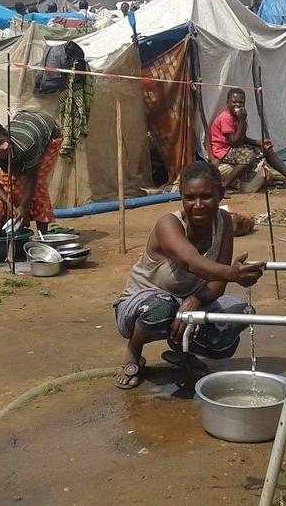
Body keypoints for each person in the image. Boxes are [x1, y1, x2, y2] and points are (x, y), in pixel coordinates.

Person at [113, 161, 266, 389]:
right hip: (141, 306)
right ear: (181, 198)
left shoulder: (223, 222)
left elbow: (218, 283)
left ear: (221, 193)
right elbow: (191, 262)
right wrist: (232, 274)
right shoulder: (168, 224)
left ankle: (182, 348)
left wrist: (196, 300)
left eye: (206, 197)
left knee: (242, 314)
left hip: (186, 304)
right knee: (161, 308)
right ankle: (134, 351)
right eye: (190, 198)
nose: (198, 205)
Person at [208, 88, 286, 191]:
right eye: (234, 102)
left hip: (233, 147)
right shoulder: (226, 118)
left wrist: (259, 142)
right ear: (227, 103)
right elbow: (234, 143)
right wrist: (242, 121)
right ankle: (224, 185)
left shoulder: (239, 116)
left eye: (241, 102)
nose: (237, 105)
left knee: (267, 149)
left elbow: (242, 138)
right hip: (223, 151)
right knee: (249, 157)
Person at [0, 110, 63, 234]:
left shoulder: (27, 145)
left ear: (7, 135)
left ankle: (42, 237)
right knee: (8, 187)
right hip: (23, 127)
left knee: (38, 188)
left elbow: (32, 177)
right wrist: (9, 204)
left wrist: (23, 206)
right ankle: (18, 226)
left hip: (47, 133)